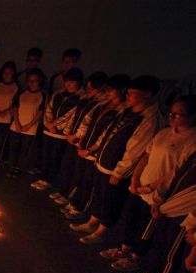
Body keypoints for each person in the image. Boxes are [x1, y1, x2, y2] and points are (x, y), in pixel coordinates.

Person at [102, 96, 196, 273]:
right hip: (140, 186)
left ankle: (136, 257)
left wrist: (152, 188)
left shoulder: (192, 141)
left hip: (159, 193)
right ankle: (124, 249)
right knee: (131, 218)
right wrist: (135, 179)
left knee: (146, 227)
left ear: (192, 116)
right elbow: (146, 156)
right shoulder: (164, 133)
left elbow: (177, 173)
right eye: (171, 113)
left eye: (178, 114)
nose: (172, 117)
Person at [71, 75, 165, 244]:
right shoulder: (126, 111)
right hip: (103, 162)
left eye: (131, 93)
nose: (127, 96)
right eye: (127, 92)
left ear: (146, 94)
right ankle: (92, 221)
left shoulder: (148, 120)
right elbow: (109, 133)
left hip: (116, 170)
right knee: (99, 194)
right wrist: (96, 153)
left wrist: (119, 173)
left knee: (110, 200)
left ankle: (102, 231)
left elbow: (135, 150)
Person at [61, 74, 129, 220]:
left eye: (111, 89)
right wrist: (80, 139)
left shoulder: (122, 111)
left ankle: (82, 208)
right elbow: (87, 121)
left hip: (95, 152)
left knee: (89, 182)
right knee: (80, 176)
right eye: (107, 89)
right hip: (84, 146)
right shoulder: (102, 104)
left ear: (122, 90)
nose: (108, 92)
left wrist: (91, 149)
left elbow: (107, 135)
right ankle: (75, 202)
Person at [48, 71, 109, 204]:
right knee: (67, 166)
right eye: (88, 88)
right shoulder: (86, 99)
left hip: (83, 142)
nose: (89, 90)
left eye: (92, 88)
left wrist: (78, 136)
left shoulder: (103, 104)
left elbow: (89, 123)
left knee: (78, 173)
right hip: (73, 138)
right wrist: (68, 132)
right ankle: (63, 191)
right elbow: (75, 116)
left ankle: (71, 197)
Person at [30, 68, 85, 191]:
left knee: (55, 157)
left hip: (61, 134)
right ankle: (42, 177)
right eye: (67, 81)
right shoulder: (58, 94)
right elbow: (48, 109)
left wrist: (55, 125)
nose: (68, 84)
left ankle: (49, 180)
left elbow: (71, 115)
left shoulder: (81, 97)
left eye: (72, 82)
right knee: (45, 156)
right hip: (48, 131)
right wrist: (48, 123)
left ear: (79, 82)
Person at [7, 69, 46, 178]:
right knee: (13, 148)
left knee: (24, 150)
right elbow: (15, 108)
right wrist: (17, 123)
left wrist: (29, 125)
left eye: (35, 80)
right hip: (16, 125)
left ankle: (18, 168)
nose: (32, 83)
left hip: (30, 128)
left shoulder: (42, 94)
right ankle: (11, 167)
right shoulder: (21, 93)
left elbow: (40, 112)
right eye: (30, 80)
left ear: (39, 81)